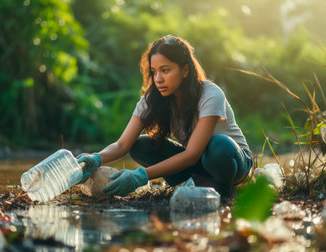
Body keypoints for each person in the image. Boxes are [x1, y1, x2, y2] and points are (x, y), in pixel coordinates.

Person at [77, 35, 253, 204]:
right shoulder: (152, 100)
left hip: (232, 162)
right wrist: (95, 159)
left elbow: (192, 154)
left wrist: (140, 176)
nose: (158, 79)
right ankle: (196, 181)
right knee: (139, 145)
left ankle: (223, 192)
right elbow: (123, 145)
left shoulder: (210, 94)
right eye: (154, 72)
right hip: (198, 162)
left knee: (218, 145)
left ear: (185, 70)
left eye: (165, 70)